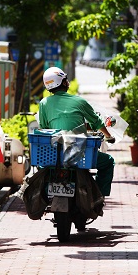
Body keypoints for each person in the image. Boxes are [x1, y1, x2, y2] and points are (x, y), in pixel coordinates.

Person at [38, 66, 115, 197]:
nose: (67, 81)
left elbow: (45, 129)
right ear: (63, 82)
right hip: (79, 153)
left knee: (43, 168)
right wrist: (109, 136)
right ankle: (98, 196)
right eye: (66, 79)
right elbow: (97, 122)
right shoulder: (79, 101)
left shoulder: (44, 103)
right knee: (108, 162)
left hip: (53, 155)